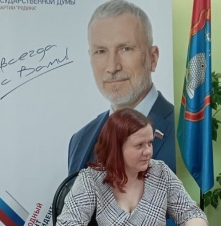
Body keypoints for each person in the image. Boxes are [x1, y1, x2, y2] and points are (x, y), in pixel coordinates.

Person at [56, 109, 207, 226]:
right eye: (139, 145)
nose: (148, 151)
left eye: (150, 143)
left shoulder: (160, 172)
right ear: (116, 148)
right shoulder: (90, 179)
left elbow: (193, 214)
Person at [68, 0, 175, 175]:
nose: (112, 67)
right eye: (100, 51)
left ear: (153, 58)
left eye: (125, 49)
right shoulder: (80, 141)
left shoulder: (186, 135)